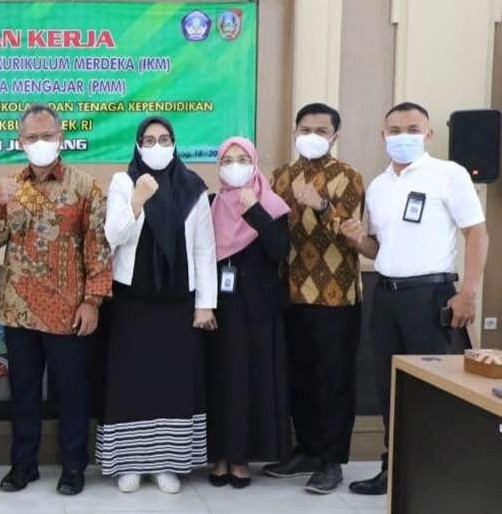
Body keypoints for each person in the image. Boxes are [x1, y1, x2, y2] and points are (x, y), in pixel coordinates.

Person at [342, 102, 488, 495]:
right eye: (394, 129)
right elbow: (379, 249)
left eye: (412, 128)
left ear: (428, 134)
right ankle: (394, 468)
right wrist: (357, 240)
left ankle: (444, 472)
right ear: (383, 135)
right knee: (390, 386)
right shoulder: (377, 186)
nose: (402, 136)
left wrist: (468, 292)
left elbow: (477, 234)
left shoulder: (448, 175)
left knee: (437, 388)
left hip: (432, 295)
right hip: (386, 297)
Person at [0, 103, 112, 496]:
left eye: (47, 136)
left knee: (71, 390)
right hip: (18, 309)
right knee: (22, 392)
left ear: (62, 138)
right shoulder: (10, 186)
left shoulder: (84, 186)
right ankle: (23, 465)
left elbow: (98, 250)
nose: (40, 144)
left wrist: (94, 301)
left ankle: (73, 467)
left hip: (68, 310)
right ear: (20, 142)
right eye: (32, 138)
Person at [98, 116, 217, 495]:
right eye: (148, 140)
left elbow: (204, 248)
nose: (157, 146)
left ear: (175, 143)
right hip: (133, 298)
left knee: (172, 379)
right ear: (136, 146)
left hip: (178, 299)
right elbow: (112, 236)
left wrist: (205, 305)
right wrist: (137, 200)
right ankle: (129, 463)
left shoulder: (193, 186)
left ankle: (168, 462)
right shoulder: (122, 181)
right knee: (131, 379)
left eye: (164, 139)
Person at [265, 103, 365, 494]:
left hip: (336, 297)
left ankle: (332, 460)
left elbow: (352, 233)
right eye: (305, 128)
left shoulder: (349, 177)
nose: (312, 136)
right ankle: (306, 448)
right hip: (290, 292)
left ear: (335, 136)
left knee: (335, 380)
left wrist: (321, 206)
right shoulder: (281, 177)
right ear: (294, 131)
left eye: (321, 130)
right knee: (299, 376)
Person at [206, 137, 292, 489]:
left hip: (257, 310)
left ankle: (241, 459)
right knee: (221, 382)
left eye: (243, 158)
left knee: (248, 383)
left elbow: (279, 251)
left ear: (254, 162)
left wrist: (254, 209)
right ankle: (220, 457)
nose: (235, 165)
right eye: (228, 159)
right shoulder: (212, 204)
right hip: (219, 309)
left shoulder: (271, 205)